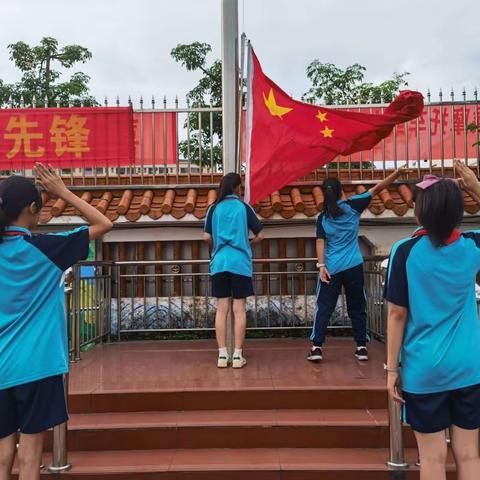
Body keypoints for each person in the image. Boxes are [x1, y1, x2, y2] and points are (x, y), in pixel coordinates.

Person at [0, 164, 112, 480]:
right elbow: (104, 223)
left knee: (2, 455)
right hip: (37, 366)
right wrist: (63, 191)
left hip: (1, 367)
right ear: (32, 209)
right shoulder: (46, 249)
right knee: (31, 457)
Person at [384, 161, 480, 480]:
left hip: (423, 371)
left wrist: (391, 370)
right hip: (469, 368)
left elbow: (397, 313)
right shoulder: (472, 247)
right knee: (469, 455)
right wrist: (475, 184)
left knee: (433, 459)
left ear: (421, 212)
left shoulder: (405, 251)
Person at [308, 166, 405, 362]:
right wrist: (396, 174)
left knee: (324, 307)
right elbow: (378, 188)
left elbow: (320, 242)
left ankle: (317, 347)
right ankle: (361, 347)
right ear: (341, 191)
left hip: (331, 269)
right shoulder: (354, 205)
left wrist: (321, 267)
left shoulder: (323, 218)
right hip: (353, 266)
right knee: (357, 306)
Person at [204, 173, 264, 369]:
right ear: (237, 188)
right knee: (239, 309)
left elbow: (206, 237)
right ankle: (237, 356)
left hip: (220, 262)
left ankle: (222, 355)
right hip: (240, 263)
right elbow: (261, 235)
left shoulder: (213, 209)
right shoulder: (244, 208)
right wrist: (247, 244)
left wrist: (216, 249)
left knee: (222, 309)